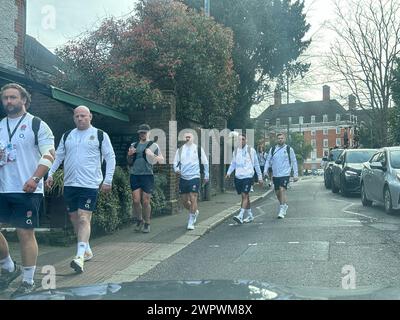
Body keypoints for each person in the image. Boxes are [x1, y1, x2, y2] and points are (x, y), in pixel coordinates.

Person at [0, 83, 55, 297]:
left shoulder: (37, 124)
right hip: (3, 187)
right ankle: (9, 267)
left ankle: (28, 280)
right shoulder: (0, 126)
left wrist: (35, 178)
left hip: (27, 188)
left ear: (23, 100)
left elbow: (49, 154)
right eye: (5, 98)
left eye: (13, 97)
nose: (9, 102)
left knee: (24, 232)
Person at [46, 106, 116, 274]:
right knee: (74, 217)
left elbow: (110, 157)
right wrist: (49, 174)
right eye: (77, 116)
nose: (80, 118)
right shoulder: (67, 135)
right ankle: (86, 249)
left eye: (83, 115)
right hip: (70, 184)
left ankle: (79, 257)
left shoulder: (100, 135)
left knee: (84, 218)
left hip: (90, 184)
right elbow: (58, 157)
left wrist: (108, 180)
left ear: (90, 116)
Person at [127, 124, 164, 233]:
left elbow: (161, 160)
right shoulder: (134, 145)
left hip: (147, 175)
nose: (142, 134)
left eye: (144, 132)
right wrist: (129, 154)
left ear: (149, 133)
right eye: (140, 132)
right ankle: (139, 220)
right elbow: (129, 161)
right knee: (136, 200)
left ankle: (147, 223)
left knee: (146, 201)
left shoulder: (153, 145)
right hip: (135, 175)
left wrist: (152, 155)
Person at [174, 132, 209, 230]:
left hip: (195, 176)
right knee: (185, 201)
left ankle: (190, 221)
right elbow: (175, 162)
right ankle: (194, 212)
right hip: (184, 177)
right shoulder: (180, 150)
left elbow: (205, 162)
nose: (187, 138)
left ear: (193, 138)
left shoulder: (198, 149)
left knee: (193, 198)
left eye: (189, 137)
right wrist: (176, 169)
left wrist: (206, 175)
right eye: (186, 137)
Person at [226, 134, 263, 224]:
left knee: (244, 195)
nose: (241, 141)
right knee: (246, 197)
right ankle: (250, 215)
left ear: (246, 140)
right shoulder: (235, 151)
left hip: (248, 177)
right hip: (238, 177)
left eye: (243, 139)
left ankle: (240, 215)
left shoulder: (251, 150)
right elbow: (233, 163)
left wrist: (260, 177)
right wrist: (228, 173)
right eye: (239, 140)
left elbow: (257, 165)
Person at [264, 133, 298, 219]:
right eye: (278, 138)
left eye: (282, 138)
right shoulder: (273, 149)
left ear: (285, 139)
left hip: (285, 174)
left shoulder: (289, 149)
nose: (280, 140)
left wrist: (295, 174)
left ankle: (281, 210)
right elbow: (268, 160)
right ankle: (284, 205)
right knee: (277, 193)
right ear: (277, 139)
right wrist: (265, 170)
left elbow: (294, 161)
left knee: (282, 190)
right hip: (276, 174)